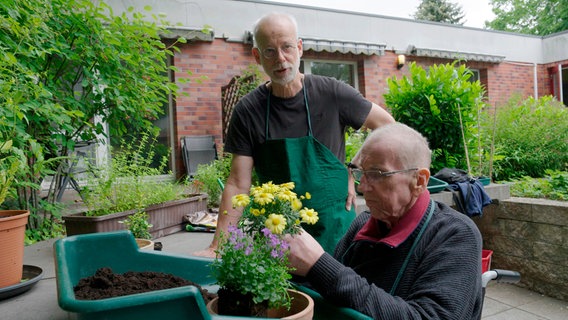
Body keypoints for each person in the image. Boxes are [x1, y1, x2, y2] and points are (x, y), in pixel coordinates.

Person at [193, 12, 394, 256]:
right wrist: (218, 246)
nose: (280, 58)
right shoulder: (248, 111)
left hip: (337, 231)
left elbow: (387, 125)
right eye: (269, 51)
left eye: (287, 47)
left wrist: (354, 166)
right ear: (257, 56)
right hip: (280, 234)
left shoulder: (331, 93)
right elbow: (237, 184)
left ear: (299, 48)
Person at [285, 123, 484, 319]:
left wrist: (320, 265)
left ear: (419, 181)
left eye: (376, 174)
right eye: (359, 172)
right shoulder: (362, 224)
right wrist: (298, 267)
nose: (362, 187)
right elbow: (331, 291)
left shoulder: (456, 235)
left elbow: (427, 316)